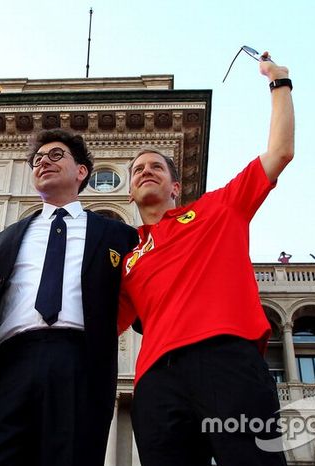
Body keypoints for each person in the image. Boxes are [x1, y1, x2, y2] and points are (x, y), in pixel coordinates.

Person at [117, 51, 293, 466]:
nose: (145, 171)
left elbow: (280, 152)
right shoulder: (128, 260)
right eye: (137, 168)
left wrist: (279, 82)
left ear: (176, 186)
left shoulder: (218, 209)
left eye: (156, 166)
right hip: (156, 383)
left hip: (226, 362)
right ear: (129, 192)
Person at [0, 129, 138, 466]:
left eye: (56, 155)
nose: (44, 161)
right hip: (9, 364)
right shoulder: (9, 236)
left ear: (81, 172)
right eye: (37, 159)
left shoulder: (118, 234)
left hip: (80, 363)